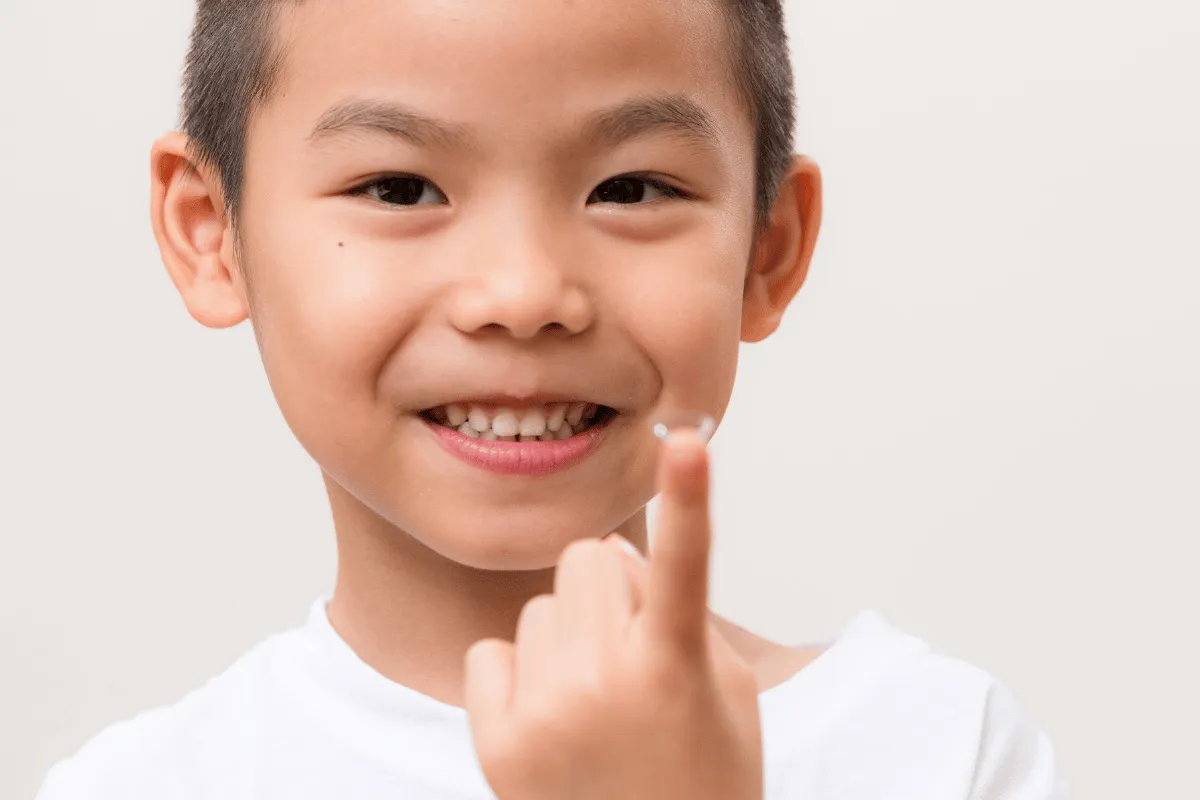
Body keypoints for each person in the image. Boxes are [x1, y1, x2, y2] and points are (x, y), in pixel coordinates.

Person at [36, 0, 1069, 797]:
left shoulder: (937, 750)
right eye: (401, 188)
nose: (525, 295)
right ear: (212, 228)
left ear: (769, 247)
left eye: (630, 188)